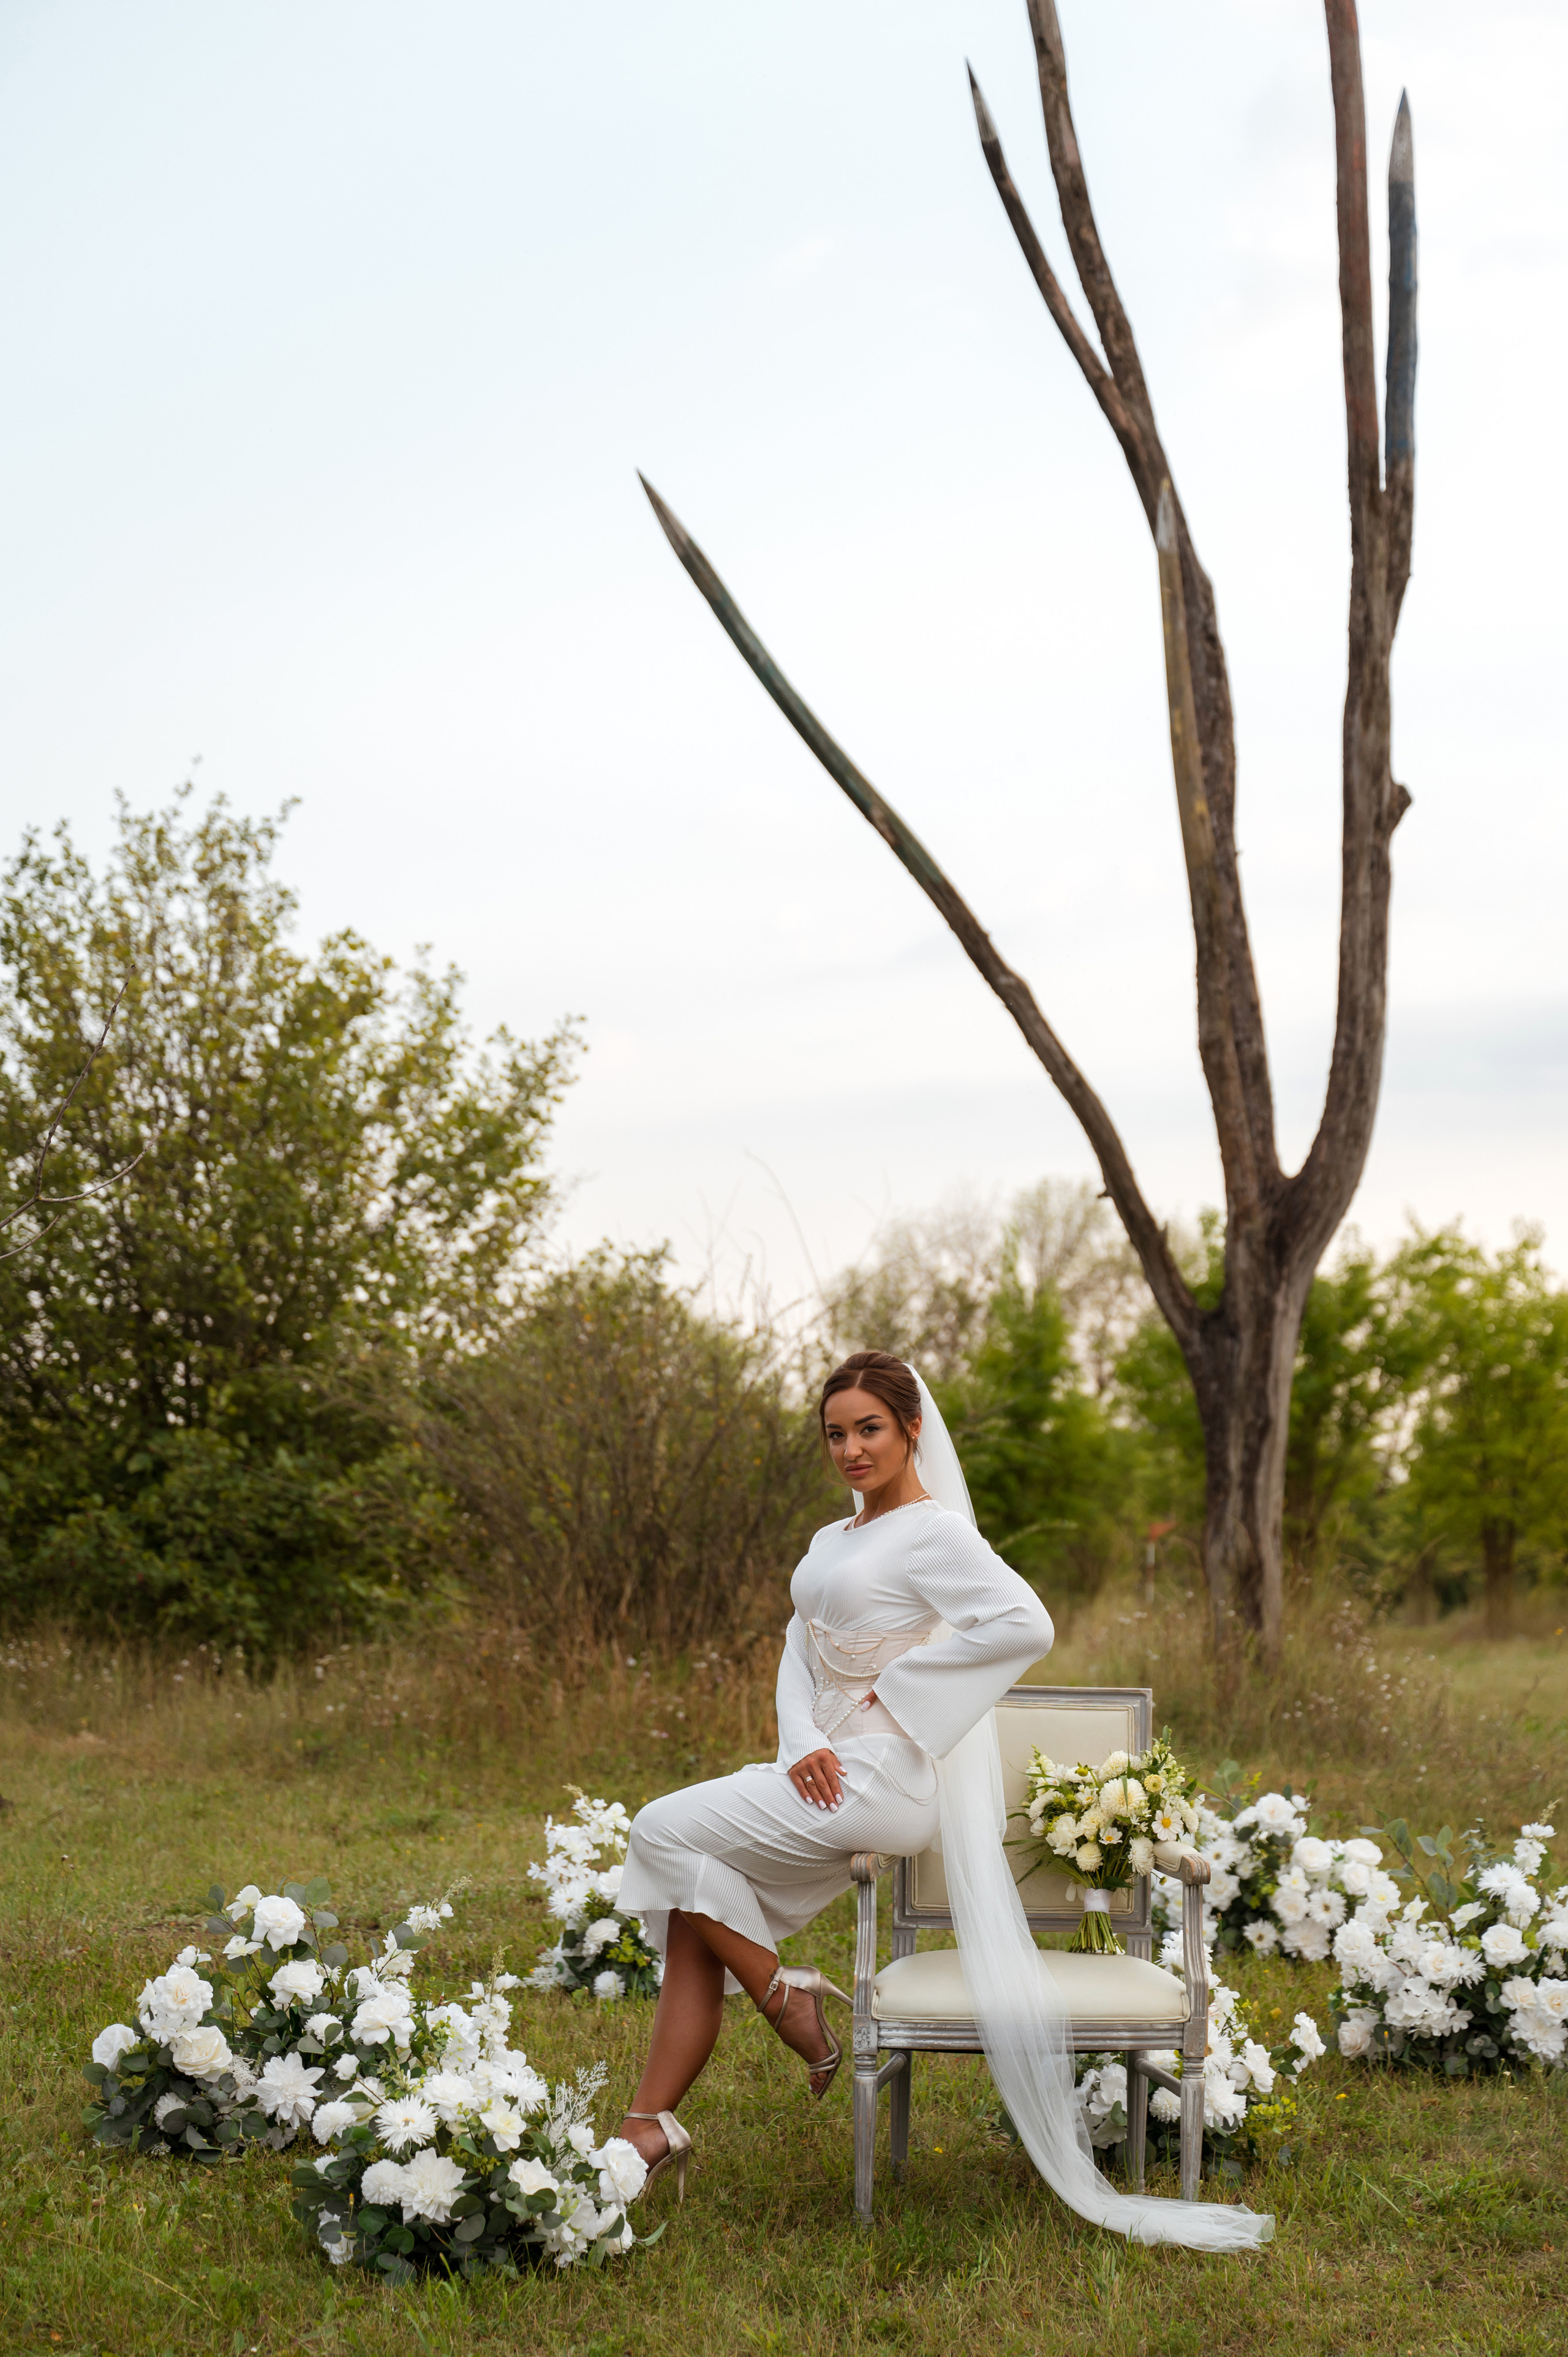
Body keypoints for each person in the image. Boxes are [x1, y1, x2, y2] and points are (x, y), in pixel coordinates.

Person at [612, 1350, 1053, 2196]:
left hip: (884, 1780)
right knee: (692, 1896)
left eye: (871, 1430)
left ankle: (786, 1998)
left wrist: (900, 1694)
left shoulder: (934, 1533)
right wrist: (796, 1740)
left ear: (912, 1429)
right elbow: (796, 1646)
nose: (852, 1449)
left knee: (657, 1827)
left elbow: (1024, 1625)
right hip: (821, 1766)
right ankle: (647, 2127)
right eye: (836, 1434)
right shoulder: (832, 1538)